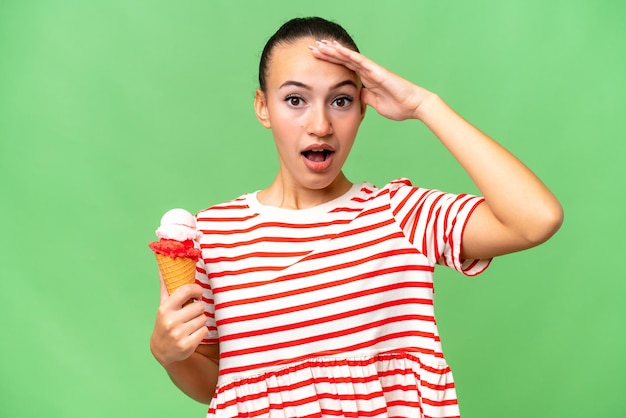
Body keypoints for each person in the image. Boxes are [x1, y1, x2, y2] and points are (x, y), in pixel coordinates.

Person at [149, 16, 563, 417]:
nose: (321, 125)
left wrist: (424, 104)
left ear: (363, 109)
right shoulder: (213, 235)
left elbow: (536, 218)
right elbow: (222, 386)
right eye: (295, 100)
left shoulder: (401, 215)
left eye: (341, 100)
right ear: (263, 107)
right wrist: (171, 357)